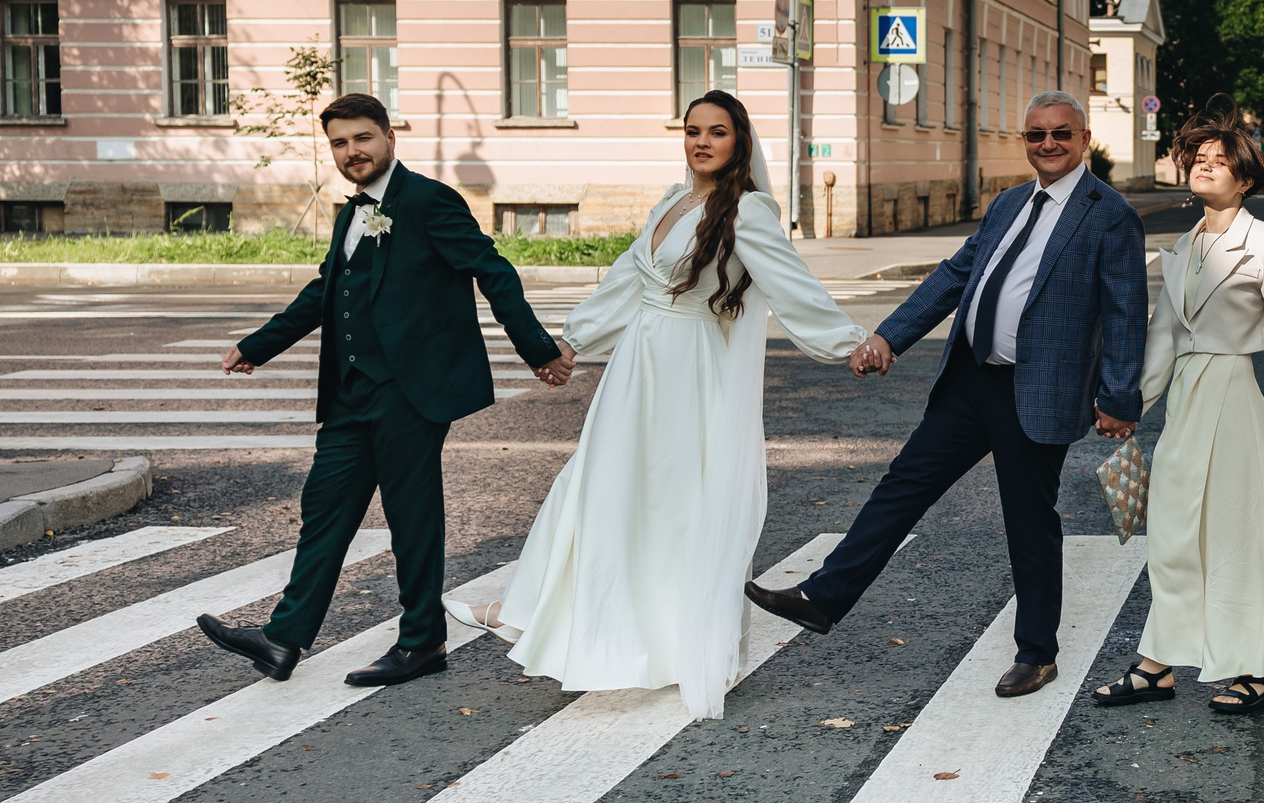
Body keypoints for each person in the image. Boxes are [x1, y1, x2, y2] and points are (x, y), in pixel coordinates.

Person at [445, 92, 866, 719]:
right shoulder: (673, 199)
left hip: (686, 372)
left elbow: (792, 284)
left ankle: (660, 641)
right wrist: (571, 343)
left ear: (739, 142)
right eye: (693, 130)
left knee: (668, 502)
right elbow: (626, 279)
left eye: (717, 132)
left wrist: (851, 343)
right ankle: (541, 611)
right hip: (637, 367)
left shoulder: (748, 211)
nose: (701, 142)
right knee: (595, 484)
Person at [743, 92, 1147, 699]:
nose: (1048, 145)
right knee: (902, 486)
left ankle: (1037, 654)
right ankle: (823, 599)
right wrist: (888, 336)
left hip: (1035, 391)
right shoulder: (1010, 202)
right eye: (1036, 135)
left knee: (1029, 523)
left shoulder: (1108, 214)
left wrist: (1119, 398)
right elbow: (956, 275)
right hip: (970, 380)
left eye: (1061, 134)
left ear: (1083, 139)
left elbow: (1124, 312)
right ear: (1026, 140)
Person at [199, 95, 574, 688]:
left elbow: (492, 270)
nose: (353, 152)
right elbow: (328, 290)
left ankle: (423, 642)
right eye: (341, 144)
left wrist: (538, 347)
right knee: (324, 511)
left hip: (410, 390)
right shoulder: (351, 214)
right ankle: (282, 639)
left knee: (411, 517)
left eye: (362, 139)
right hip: (350, 392)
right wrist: (258, 344)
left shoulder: (428, 200)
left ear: (389, 137)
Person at [1092, 105, 1264, 718]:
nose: (1205, 167)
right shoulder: (1183, 247)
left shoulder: (1263, 241)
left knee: (1238, 534)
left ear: (1243, 179)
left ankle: (1254, 671)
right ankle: (1157, 664)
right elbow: (1163, 333)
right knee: (1170, 532)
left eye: (1220, 162)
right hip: (1187, 399)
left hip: (1232, 394)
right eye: (1198, 159)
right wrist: (1129, 406)